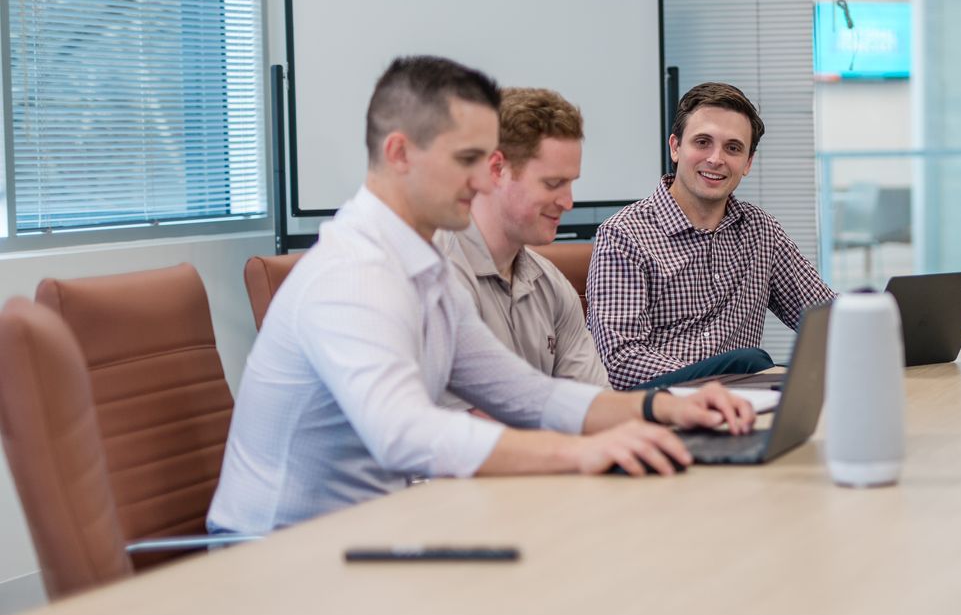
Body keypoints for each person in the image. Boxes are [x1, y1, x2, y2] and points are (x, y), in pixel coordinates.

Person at [207, 56, 755, 536]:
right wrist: (580, 451)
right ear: (400, 154)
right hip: (285, 554)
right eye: (468, 160)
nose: (483, 178)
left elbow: (528, 396)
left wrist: (662, 406)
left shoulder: (421, 271)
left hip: (378, 532)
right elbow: (405, 433)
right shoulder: (353, 276)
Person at [589, 82, 836, 388]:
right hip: (659, 411)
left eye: (733, 148)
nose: (716, 159)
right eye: (702, 142)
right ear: (676, 147)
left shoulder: (762, 231)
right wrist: (717, 382)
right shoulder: (624, 235)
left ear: (747, 163)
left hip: (741, 407)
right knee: (753, 362)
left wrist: (887, 321)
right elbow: (619, 361)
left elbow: (828, 320)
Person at [436, 87, 606, 385]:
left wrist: (660, 408)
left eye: (570, 183)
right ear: (497, 169)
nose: (568, 202)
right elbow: (464, 426)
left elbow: (593, 400)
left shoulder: (550, 284)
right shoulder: (434, 277)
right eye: (553, 183)